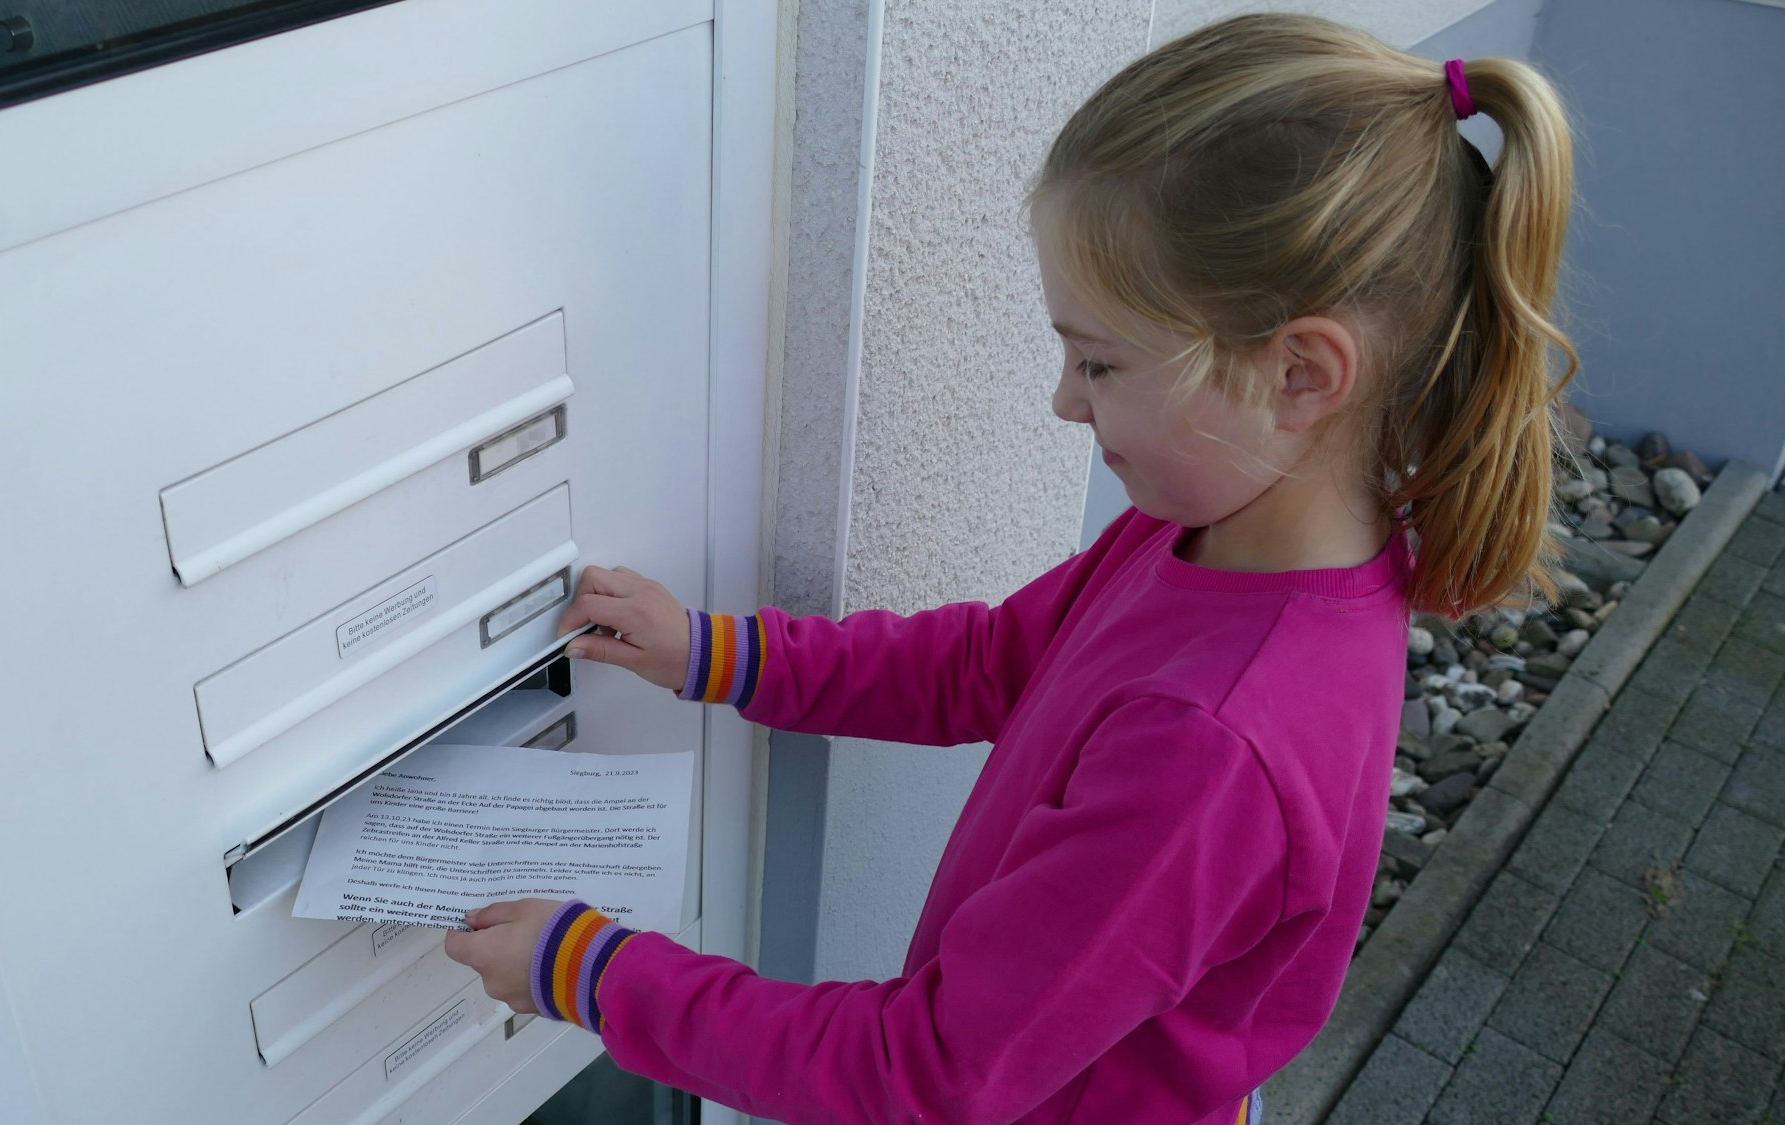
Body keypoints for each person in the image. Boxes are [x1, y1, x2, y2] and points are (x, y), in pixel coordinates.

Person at [444, 12, 1576, 1123]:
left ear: (1298, 374)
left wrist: (595, 973)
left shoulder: (1214, 744)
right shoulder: (1203, 532)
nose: (1064, 401)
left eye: (1099, 359)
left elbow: (925, 1073)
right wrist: (719, 653)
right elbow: (987, 665)